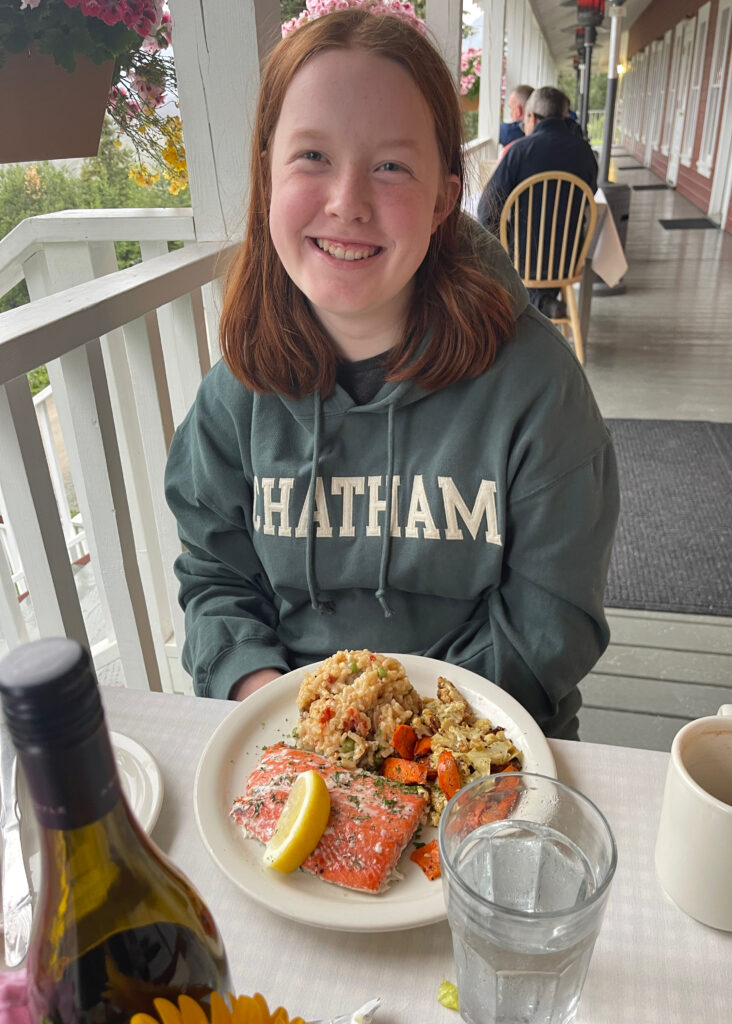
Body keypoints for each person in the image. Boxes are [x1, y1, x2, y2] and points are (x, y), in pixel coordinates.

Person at [164, 10, 619, 740]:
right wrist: (273, 702)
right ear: (265, 171)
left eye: (391, 165)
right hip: (295, 736)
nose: (347, 200)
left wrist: (396, 746)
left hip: (485, 745)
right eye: (312, 155)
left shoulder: (538, 391)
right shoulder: (232, 400)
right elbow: (216, 579)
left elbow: (551, 617)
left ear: (444, 196)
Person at [478, 86, 598, 321]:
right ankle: (544, 302)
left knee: (511, 272)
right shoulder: (584, 152)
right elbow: (589, 196)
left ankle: (538, 302)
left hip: (523, 260)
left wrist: (498, 251)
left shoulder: (519, 152)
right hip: (568, 260)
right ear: (564, 115)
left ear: (531, 117)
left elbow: (487, 209)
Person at [499, 84, 533, 148]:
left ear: (518, 111)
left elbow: (497, 129)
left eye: (511, 108)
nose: (510, 113)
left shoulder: (511, 132)